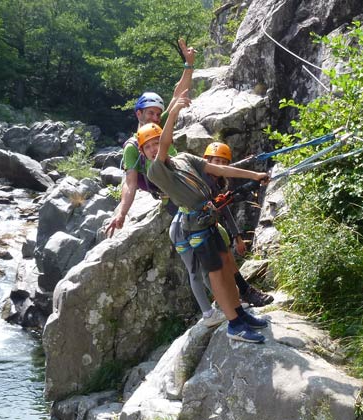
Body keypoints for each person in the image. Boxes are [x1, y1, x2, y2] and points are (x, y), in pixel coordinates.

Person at [142, 89, 269, 343]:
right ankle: (234, 325)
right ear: (144, 153)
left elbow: (218, 168)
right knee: (215, 274)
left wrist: (254, 175)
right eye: (149, 147)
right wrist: (174, 112)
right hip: (195, 227)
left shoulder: (185, 159)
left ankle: (240, 315)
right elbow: (166, 144)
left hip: (208, 220)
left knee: (226, 269)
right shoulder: (156, 171)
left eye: (156, 142)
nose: (155, 148)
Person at [173, 143, 274, 327]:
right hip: (185, 228)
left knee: (223, 257)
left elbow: (223, 207)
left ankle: (236, 296)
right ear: (207, 161)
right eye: (216, 161)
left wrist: (236, 236)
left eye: (222, 162)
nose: (219, 165)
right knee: (199, 271)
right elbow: (219, 206)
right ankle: (214, 311)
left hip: (203, 224)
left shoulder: (217, 182)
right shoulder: (201, 179)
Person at [105, 38, 196, 237]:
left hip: (183, 177)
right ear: (139, 114)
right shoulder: (132, 146)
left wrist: (188, 65)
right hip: (169, 191)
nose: (155, 118)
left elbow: (178, 93)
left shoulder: (160, 124)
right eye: (150, 113)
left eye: (158, 113)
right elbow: (130, 182)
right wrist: (122, 213)